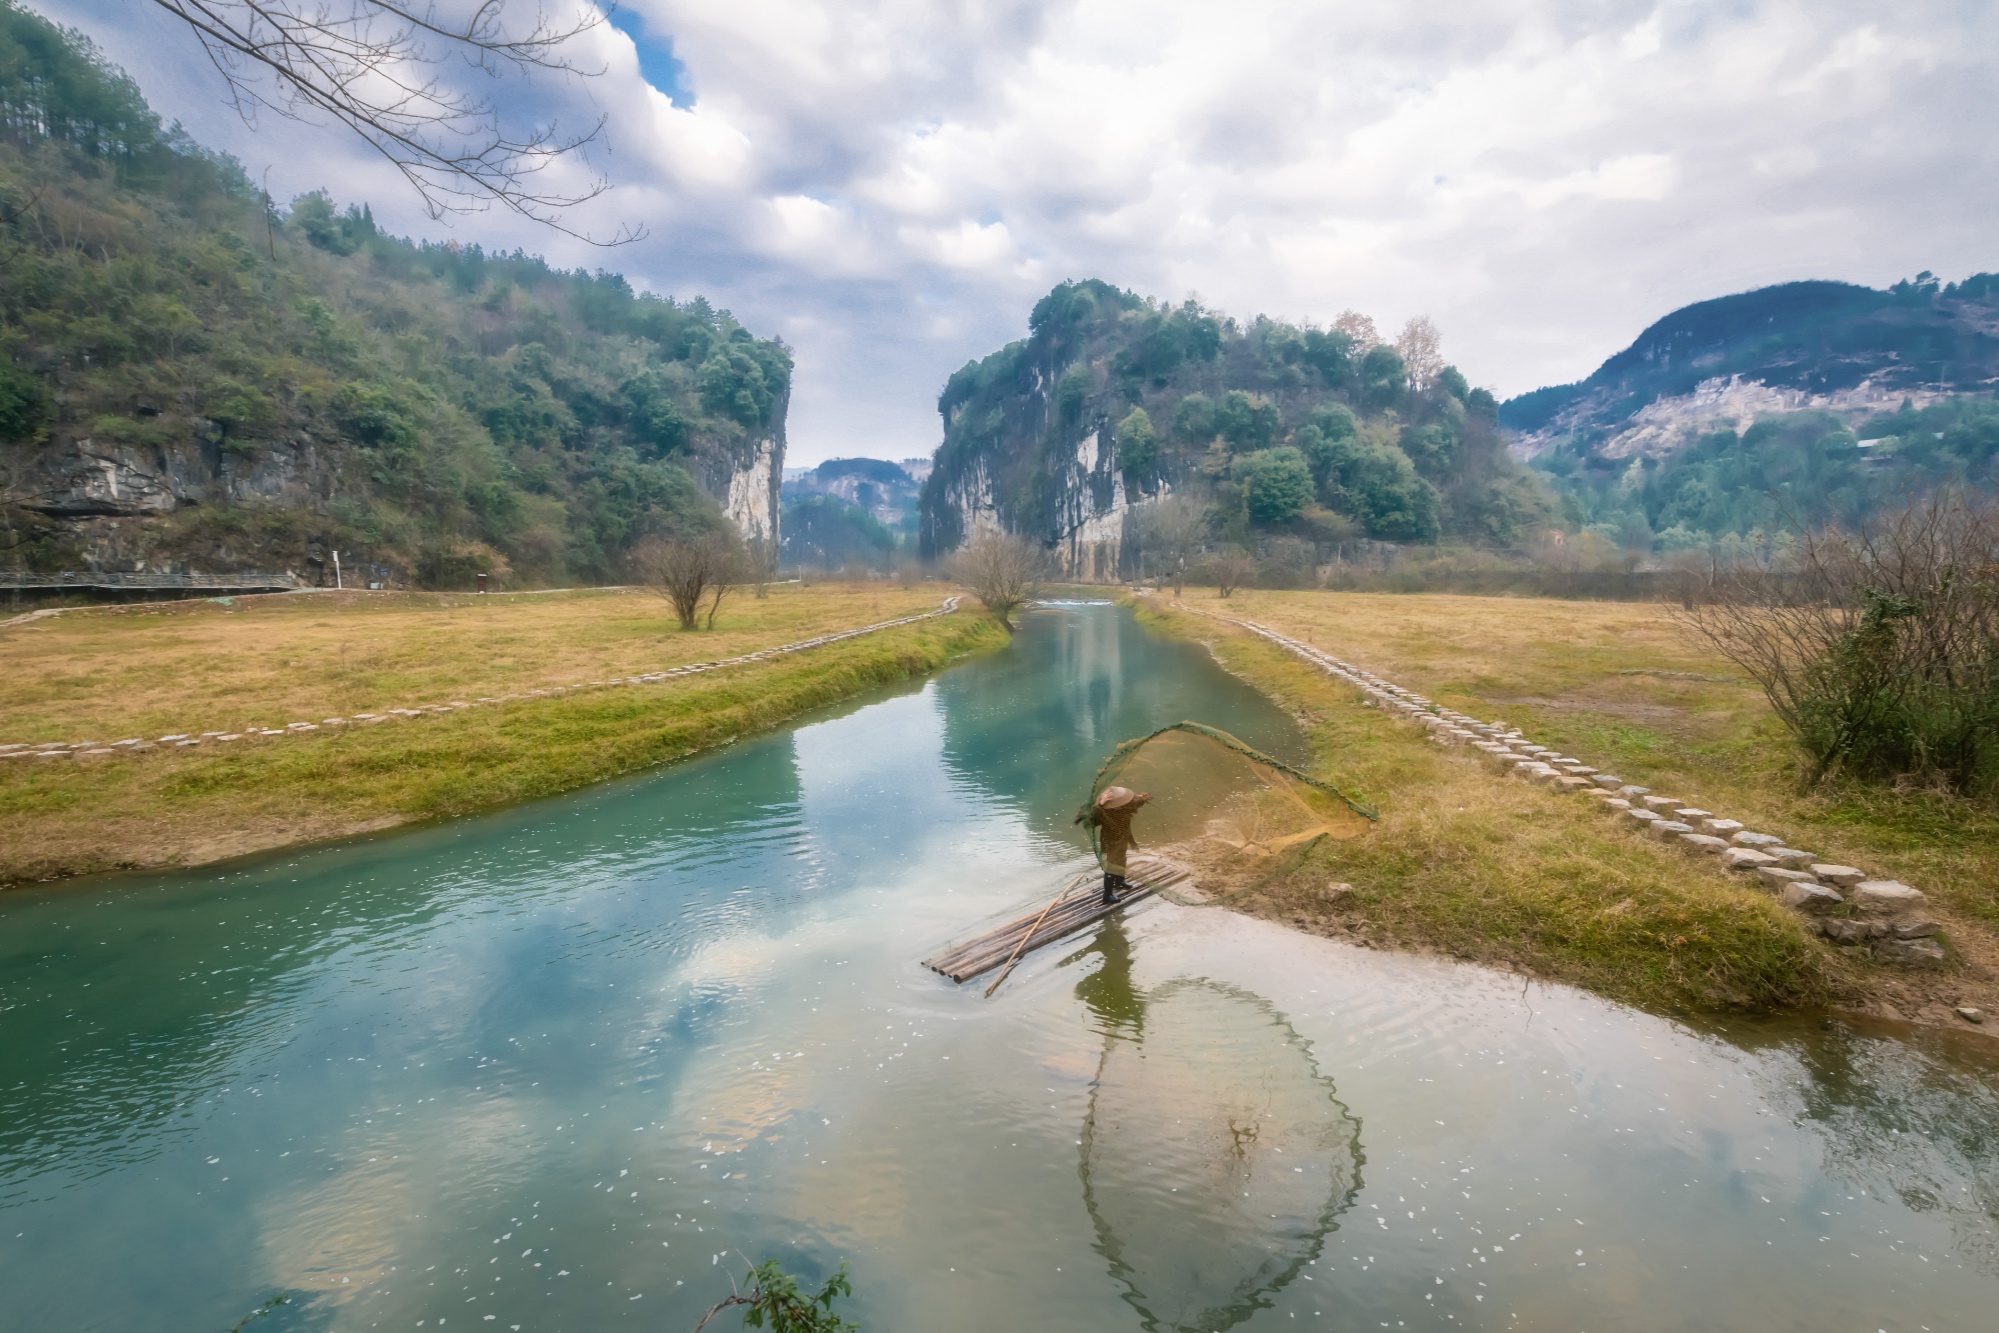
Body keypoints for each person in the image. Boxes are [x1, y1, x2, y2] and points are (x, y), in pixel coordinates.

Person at [1083, 785, 1151, 904]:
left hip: (1123, 838)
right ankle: (1107, 895)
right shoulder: (1104, 811)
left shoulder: (1124, 807)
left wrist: (1142, 800)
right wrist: (1101, 803)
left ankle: (1120, 881)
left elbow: (1134, 804)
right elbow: (1091, 821)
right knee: (1111, 867)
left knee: (1122, 860)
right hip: (1111, 842)